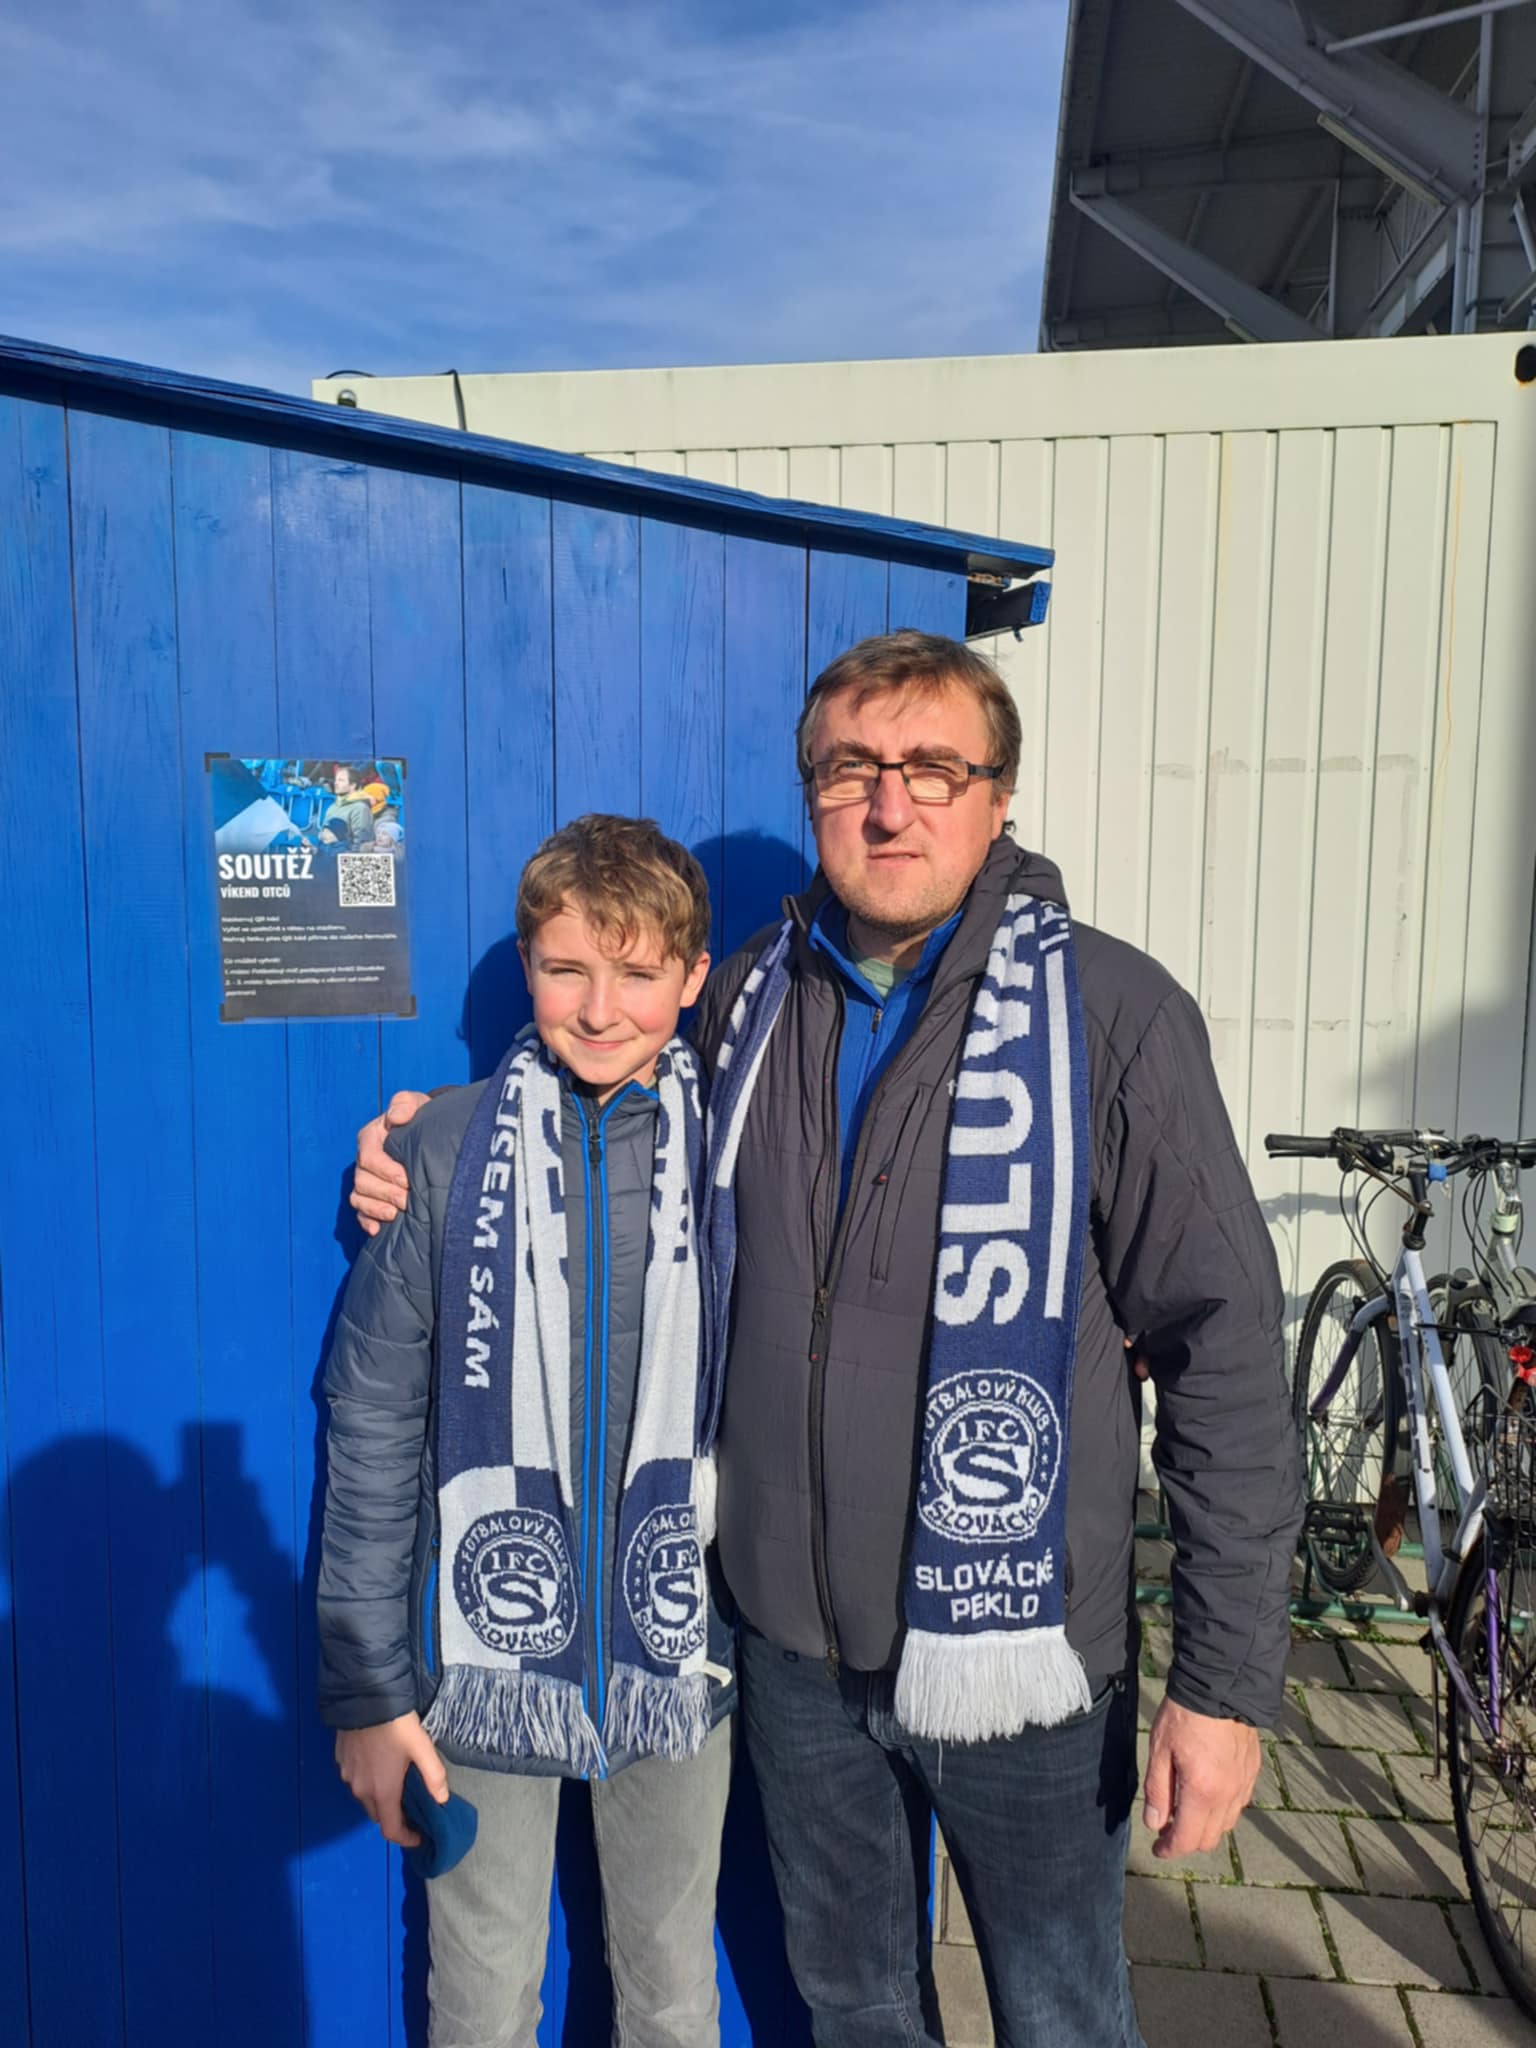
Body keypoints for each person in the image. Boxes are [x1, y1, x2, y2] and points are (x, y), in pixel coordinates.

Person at [351, 632, 1304, 2048]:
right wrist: (433, 1134)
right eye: (854, 767)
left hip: (1025, 1656)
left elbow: (1224, 1351)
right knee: (857, 2008)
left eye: (935, 768)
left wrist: (1222, 1689)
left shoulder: (1108, 1016)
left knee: (1061, 2014)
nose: (891, 803)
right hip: (795, 1659)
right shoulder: (749, 998)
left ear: (999, 797)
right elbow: (598, 1079)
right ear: (814, 794)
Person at [319, 813, 736, 2048]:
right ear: (526, 965)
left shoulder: (739, 1147)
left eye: (638, 972)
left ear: (694, 979)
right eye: (566, 968)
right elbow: (372, 1415)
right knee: (483, 1993)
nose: (600, 1008)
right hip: (478, 1658)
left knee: (671, 1989)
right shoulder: (444, 1149)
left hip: (679, 1655)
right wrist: (367, 1687)